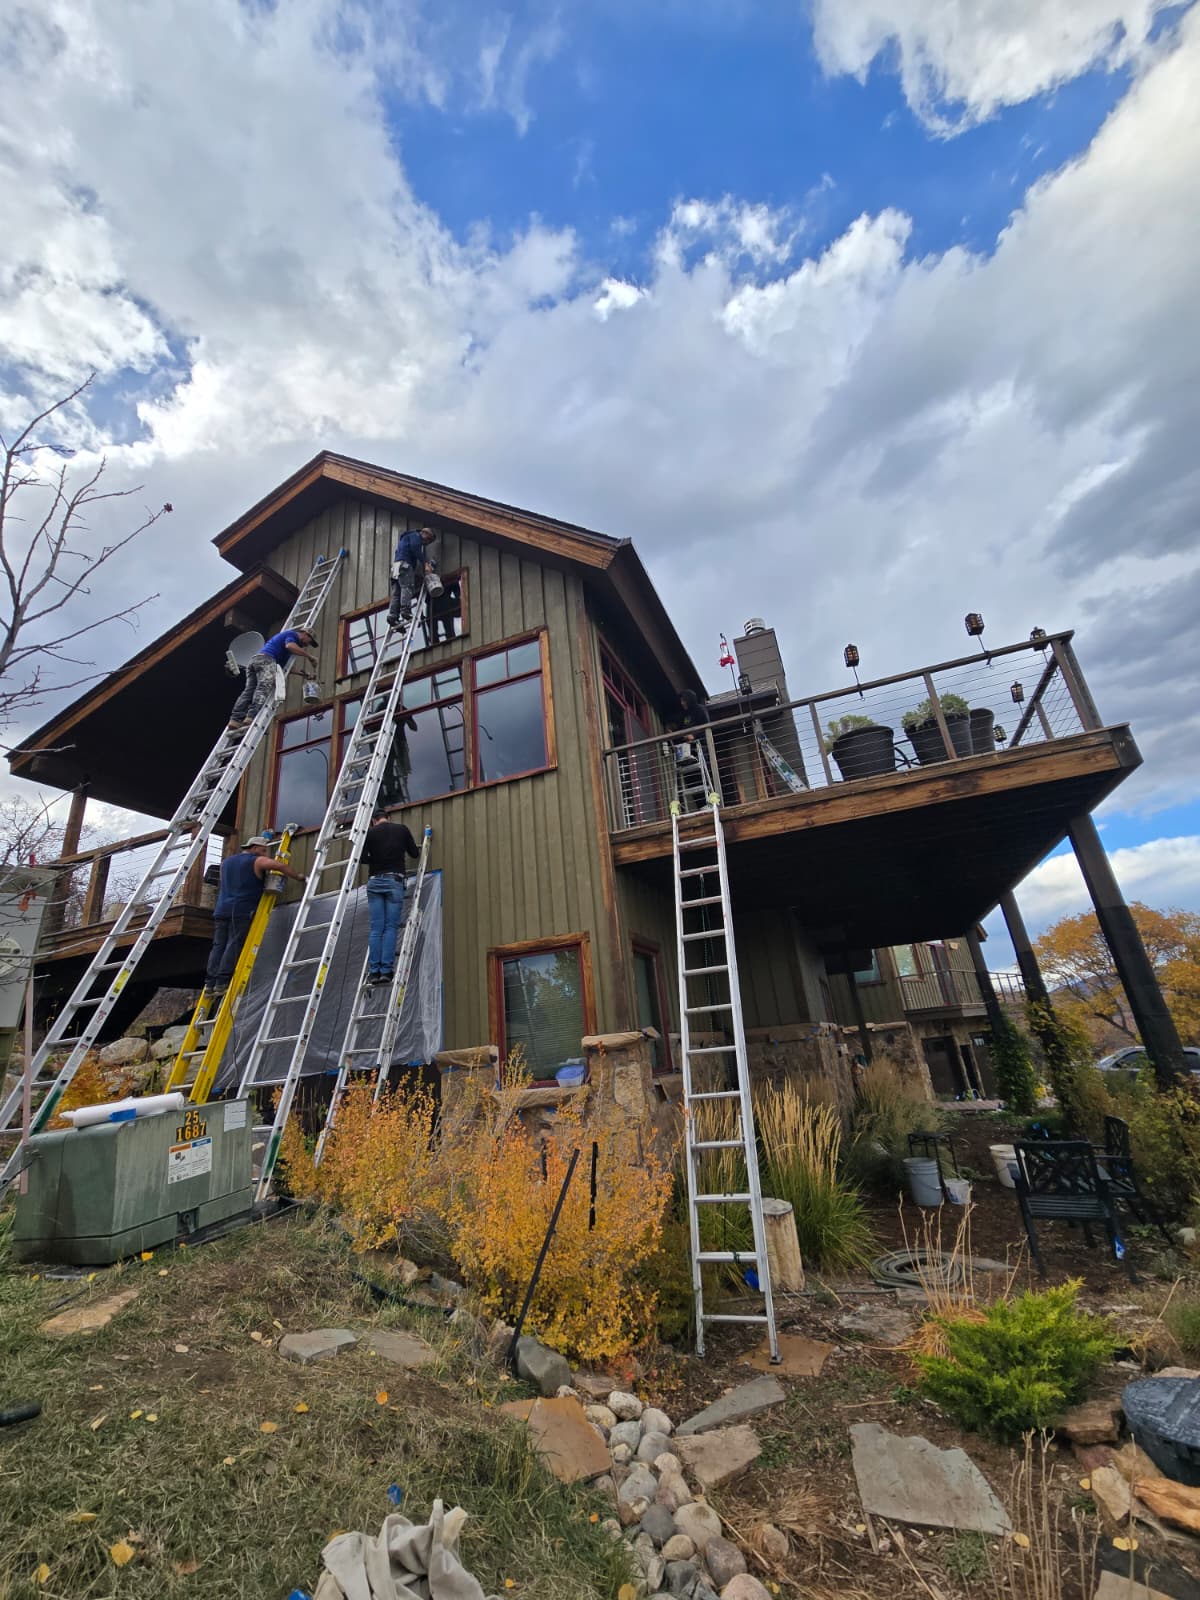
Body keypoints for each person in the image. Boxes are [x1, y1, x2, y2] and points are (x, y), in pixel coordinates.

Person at [206, 836, 306, 990]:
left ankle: (210, 982)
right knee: (233, 944)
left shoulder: (226, 863)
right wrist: (299, 876)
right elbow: (279, 865)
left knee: (218, 946)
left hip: (221, 910)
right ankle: (222, 981)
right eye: (263, 850)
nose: (265, 853)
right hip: (240, 910)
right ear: (253, 848)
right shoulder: (257, 861)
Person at [362, 808, 421, 982]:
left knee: (376, 929)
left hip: (374, 882)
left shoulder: (369, 833)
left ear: (373, 821)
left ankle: (374, 972)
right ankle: (386, 972)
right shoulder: (401, 829)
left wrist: (376, 858)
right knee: (390, 928)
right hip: (394, 881)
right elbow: (415, 854)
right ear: (389, 817)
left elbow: (363, 858)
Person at [228, 627, 319, 729]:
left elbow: (285, 667)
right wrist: (310, 657)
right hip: (266, 660)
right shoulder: (292, 635)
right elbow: (290, 646)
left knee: (249, 691)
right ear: (305, 634)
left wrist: (304, 674)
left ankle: (235, 719)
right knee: (263, 688)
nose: (307, 645)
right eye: (309, 642)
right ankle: (251, 716)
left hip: (256, 661)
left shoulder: (285, 649)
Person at [387, 526, 437, 630]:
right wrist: (425, 563)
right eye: (428, 540)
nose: (426, 543)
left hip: (396, 568)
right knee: (407, 587)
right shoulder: (415, 536)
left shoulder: (406, 538)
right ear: (424, 534)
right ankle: (405, 610)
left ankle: (393, 616)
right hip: (405, 566)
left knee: (397, 593)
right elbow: (415, 548)